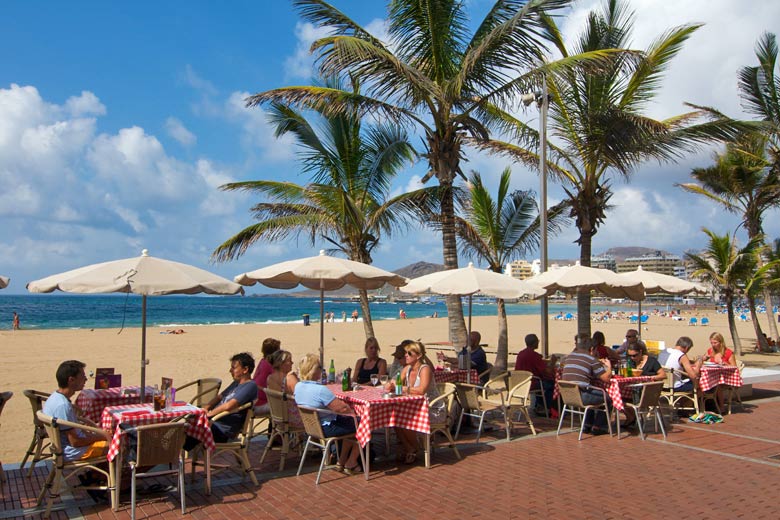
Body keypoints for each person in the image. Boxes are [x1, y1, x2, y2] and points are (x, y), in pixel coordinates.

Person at [294, 353, 362, 475]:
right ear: (313, 370)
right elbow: (342, 409)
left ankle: (341, 462)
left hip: (312, 427)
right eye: (320, 367)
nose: (322, 369)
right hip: (326, 427)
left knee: (352, 422)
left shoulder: (298, 386)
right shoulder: (320, 390)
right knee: (364, 423)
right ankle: (351, 462)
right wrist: (351, 410)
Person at [185, 352, 259, 450]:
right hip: (214, 422)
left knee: (187, 430)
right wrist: (206, 408)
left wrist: (209, 415)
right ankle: (176, 456)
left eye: (234, 368)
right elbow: (219, 397)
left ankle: (175, 457)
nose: (230, 370)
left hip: (223, 430)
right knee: (185, 426)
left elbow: (230, 405)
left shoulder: (250, 386)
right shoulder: (236, 383)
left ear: (245, 369)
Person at [42, 360, 112, 461]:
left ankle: (96, 473)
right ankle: (110, 474)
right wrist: (103, 437)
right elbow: (76, 442)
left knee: (108, 436)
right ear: (71, 380)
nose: (86, 379)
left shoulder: (55, 397)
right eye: (82, 376)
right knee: (118, 444)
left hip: (65, 448)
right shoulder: (63, 406)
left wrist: (99, 434)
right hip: (73, 452)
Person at [390, 341, 444, 464]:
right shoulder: (407, 368)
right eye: (405, 353)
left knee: (405, 419)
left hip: (432, 409)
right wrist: (389, 384)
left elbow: (421, 390)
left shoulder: (425, 369)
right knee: (394, 418)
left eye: (409, 353)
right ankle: (411, 448)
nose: (406, 356)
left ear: (418, 356)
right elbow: (394, 381)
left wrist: (402, 388)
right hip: (415, 408)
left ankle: (416, 447)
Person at [560, 333, 612, 435]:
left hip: (568, 396)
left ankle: (587, 424)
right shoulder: (591, 359)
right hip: (582, 396)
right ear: (592, 349)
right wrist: (609, 367)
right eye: (595, 350)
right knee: (608, 398)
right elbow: (606, 378)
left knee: (592, 392)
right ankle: (599, 426)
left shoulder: (570, 356)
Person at [514, 333, 557, 414]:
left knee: (544, 384)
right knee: (552, 385)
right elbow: (546, 371)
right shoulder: (534, 355)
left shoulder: (521, 353)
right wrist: (553, 362)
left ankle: (539, 405)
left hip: (519, 383)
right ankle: (547, 407)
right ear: (534, 343)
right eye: (538, 341)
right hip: (531, 383)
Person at [265, 350, 303, 429]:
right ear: (281, 363)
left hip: (278, 417)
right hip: (292, 419)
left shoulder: (270, 378)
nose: (292, 363)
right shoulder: (289, 378)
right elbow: (301, 396)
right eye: (289, 361)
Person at [703, 332, 736, 409]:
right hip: (713, 375)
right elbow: (703, 360)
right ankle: (703, 405)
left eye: (715, 343)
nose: (713, 345)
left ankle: (721, 406)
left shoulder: (728, 352)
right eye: (711, 343)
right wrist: (704, 358)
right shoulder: (710, 351)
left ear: (721, 342)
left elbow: (734, 367)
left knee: (717, 384)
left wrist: (724, 363)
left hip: (726, 376)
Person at [252, 337, 281, 415]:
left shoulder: (263, 362)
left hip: (254, 400)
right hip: (261, 403)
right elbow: (280, 382)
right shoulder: (270, 366)